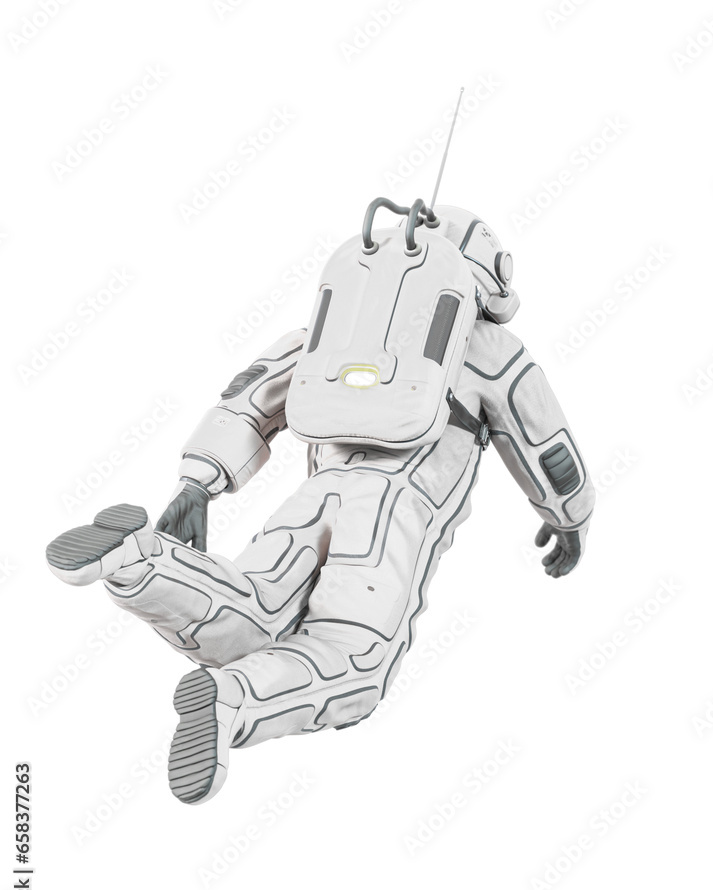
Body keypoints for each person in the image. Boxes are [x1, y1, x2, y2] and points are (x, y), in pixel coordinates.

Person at [46, 203, 595, 805]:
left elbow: (246, 400)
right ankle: (233, 701)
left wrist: (198, 482)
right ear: (490, 276)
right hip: (393, 510)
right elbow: (546, 445)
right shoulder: (490, 349)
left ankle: (137, 560)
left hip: (312, 496)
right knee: (355, 659)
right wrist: (570, 518)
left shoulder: (327, 333)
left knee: (253, 607)